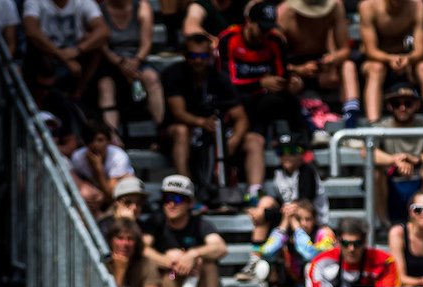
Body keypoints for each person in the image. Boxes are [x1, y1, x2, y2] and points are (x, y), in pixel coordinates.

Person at [215, 2, 307, 205]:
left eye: (269, 28)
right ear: (249, 22)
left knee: (290, 101)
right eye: (261, 27)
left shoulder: (275, 41)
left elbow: (280, 75)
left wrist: (290, 83)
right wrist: (260, 83)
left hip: (264, 101)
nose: (265, 33)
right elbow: (225, 81)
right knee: (243, 102)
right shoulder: (229, 39)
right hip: (236, 102)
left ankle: (303, 148)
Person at [162, 32, 258, 194]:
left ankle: (255, 192)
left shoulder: (220, 78)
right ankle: (186, 191)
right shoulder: (173, 74)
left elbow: (241, 118)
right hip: (183, 129)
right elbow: (178, 113)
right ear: (185, 55)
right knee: (181, 131)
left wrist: (234, 140)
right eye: (193, 55)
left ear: (211, 56)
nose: (198, 60)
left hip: (216, 131)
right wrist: (201, 122)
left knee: (254, 140)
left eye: (203, 56)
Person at [358, 0, 423, 124]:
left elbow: (420, 50)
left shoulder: (417, 6)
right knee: (376, 68)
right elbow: (370, 51)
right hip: (376, 61)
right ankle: (373, 125)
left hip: (406, 60)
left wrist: (408, 59)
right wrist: (390, 59)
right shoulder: (368, 7)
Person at [371, 84, 423, 223]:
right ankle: (383, 224)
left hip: (420, 182)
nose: (402, 108)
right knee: (374, 172)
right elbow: (367, 152)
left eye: (408, 103)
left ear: (417, 105)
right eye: (396, 104)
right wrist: (394, 160)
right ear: (389, 106)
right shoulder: (381, 126)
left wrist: (416, 160)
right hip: (392, 186)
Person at [277, 0, 360, 129]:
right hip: (293, 66)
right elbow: (275, 60)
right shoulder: (284, 14)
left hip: (322, 65)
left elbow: (344, 50)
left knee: (348, 66)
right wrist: (299, 69)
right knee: (290, 81)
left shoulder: (335, 6)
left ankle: (351, 122)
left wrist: (332, 59)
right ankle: (309, 126)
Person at [144, 175, 229, 287]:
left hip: (197, 278)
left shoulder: (200, 224)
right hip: (168, 278)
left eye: (177, 199)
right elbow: (142, 248)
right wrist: (170, 262)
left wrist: (192, 254)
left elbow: (220, 248)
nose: (171, 204)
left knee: (209, 266)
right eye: (166, 199)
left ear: (190, 203)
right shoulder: (155, 221)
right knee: (169, 273)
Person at [248, 133, 330, 249]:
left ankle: (268, 253)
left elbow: (303, 204)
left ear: (301, 153)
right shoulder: (278, 173)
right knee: (265, 203)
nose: (286, 155)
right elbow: (282, 202)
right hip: (289, 217)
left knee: (267, 212)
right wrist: (261, 211)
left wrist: (265, 213)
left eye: (292, 151)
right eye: (281, 151)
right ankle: (256, 257)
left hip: (309, 221)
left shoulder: (307, 172)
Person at [90, 0, 164, 128]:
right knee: (105, 85)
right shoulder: (98, 11)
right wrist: (119, 63)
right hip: (110, 62)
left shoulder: (142, 7)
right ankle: (111, 135)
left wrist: (135, 62)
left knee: (151, 78)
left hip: (137, 60)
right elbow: (101, 45)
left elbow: (146, 43)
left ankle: (161, 129)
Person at [23, 0, 107, 89]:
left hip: (75, 56)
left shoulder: (84, 2)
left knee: (96, 42)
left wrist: (78, 50)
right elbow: (31, 30)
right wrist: (60, 55)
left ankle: (78, 93)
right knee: (34, 44)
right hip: (46, 55)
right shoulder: (35, 2)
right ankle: (37, 95)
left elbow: (104, 31)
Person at [307, 216, 401, 287]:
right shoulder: (320, 263)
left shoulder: (385, 262)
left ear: (365, 242)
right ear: (338, 241)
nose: (351, 249)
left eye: (357, 243)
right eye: (345, 243)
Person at [69, 122, 135, 213]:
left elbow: (110, 197)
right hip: (94, 199)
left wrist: (98, 169)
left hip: (115, 200)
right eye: (90, 140)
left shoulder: (118, 157)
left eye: (100, 140)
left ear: (109, 141)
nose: (95, 145)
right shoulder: (77, 157)